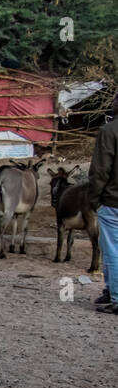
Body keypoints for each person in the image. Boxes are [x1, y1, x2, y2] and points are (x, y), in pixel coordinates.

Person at [88, 99, 118, 314]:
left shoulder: (109, 130)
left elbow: (100, 171)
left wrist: (94, 198)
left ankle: (116, 297)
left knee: (112, 251)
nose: (112, 102)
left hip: (113, 200)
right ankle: (110, 289)